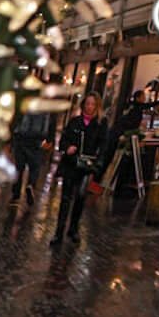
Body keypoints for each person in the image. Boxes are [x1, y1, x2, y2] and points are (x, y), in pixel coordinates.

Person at [51, 94, 104, 247]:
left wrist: (98, 163)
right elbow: (63, 140)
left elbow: (103, 146)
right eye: (87, 104)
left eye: (93, 104)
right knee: (66, 199)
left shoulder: (100, 125)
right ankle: (58, 232)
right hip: (70, 165)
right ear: (83, 105)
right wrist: (67, 148)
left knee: (80, 199)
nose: (90, 107)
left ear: (97, 106)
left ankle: (73, 229)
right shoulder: (74, 122)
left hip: (86, 168)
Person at [97, 87, 147, 195]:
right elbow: (128, 124)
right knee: (108, 157)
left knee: (108, 158)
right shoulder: (136, 109)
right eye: (143, 96)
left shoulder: (133, 108)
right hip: (118, 135)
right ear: (138, 98)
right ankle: (96, 182)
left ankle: (97, 182)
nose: (145, 98)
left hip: (118, 134)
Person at [9, 106, 51, 208]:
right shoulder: (45, 108)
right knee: (35, 168)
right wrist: (48, 139)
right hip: (36, 141)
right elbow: (48, 125)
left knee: (19, 168)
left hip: (22, 138)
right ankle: (31, 185)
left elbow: (16, 120)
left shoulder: (26, 103)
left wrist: (13, 137)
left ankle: (16, 195)